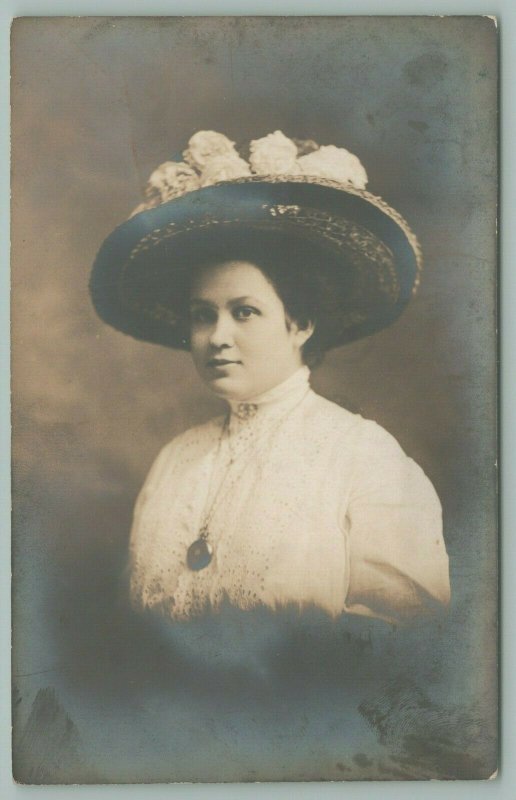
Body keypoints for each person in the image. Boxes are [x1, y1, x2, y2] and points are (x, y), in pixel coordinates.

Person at [90, 130, 450, 658]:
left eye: (244, 312)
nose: (217, 337)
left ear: (300, 323)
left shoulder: (363, 457)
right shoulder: (175, 462)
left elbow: (406, 652)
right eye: (202, 315)